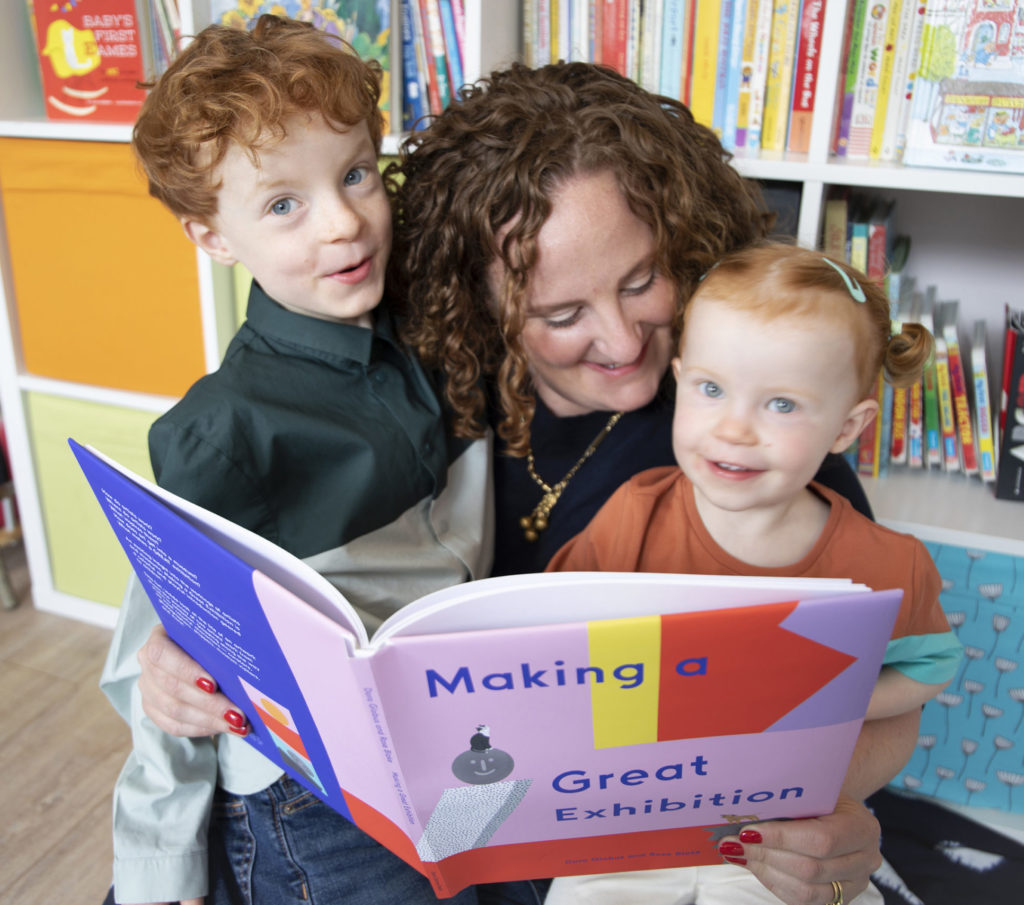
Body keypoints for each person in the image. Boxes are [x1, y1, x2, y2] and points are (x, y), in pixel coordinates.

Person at [128, 62, 920, 905]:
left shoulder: (753, 432)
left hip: (642, 846)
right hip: (443, 831)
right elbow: (201, 567)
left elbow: (882, 682)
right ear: (486, 302)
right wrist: (173, 661)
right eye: (560, 313)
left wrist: (836, 816)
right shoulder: (424, 383)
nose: (621, 341)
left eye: (642, 279)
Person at [99, 15, 494, 905]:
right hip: (311, 794)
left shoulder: (434, 316)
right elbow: (167, 674)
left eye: (356, 174)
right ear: (213, 236)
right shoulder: (224, 431)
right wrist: (158, 878)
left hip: (447, 738)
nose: (344, 223)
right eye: (285, 204)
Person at [541, 242, 964, 904]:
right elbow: (547, 628)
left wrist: (834, 701)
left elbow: (931, 664)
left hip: (780, 835)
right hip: (633, 821)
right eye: (711, 389)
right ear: (681, 380)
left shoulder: (885, 562)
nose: (734, 428)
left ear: (847, 428)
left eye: (782, 404)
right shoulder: (634, 516)